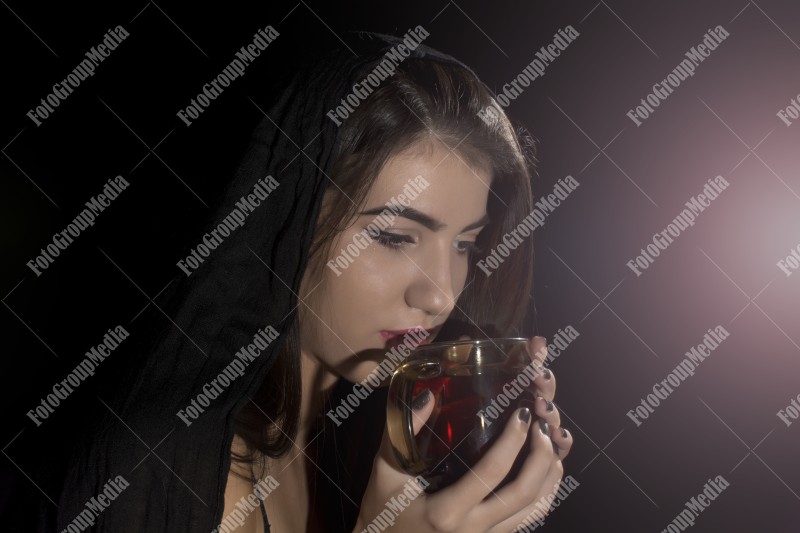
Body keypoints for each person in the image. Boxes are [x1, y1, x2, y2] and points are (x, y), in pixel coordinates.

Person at [24, 30, 572, 532]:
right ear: (288, 220)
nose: (441, 295)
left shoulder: (369, 440)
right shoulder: (148, 468)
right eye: (394, 237)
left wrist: (476, 460)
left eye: (464, 245)